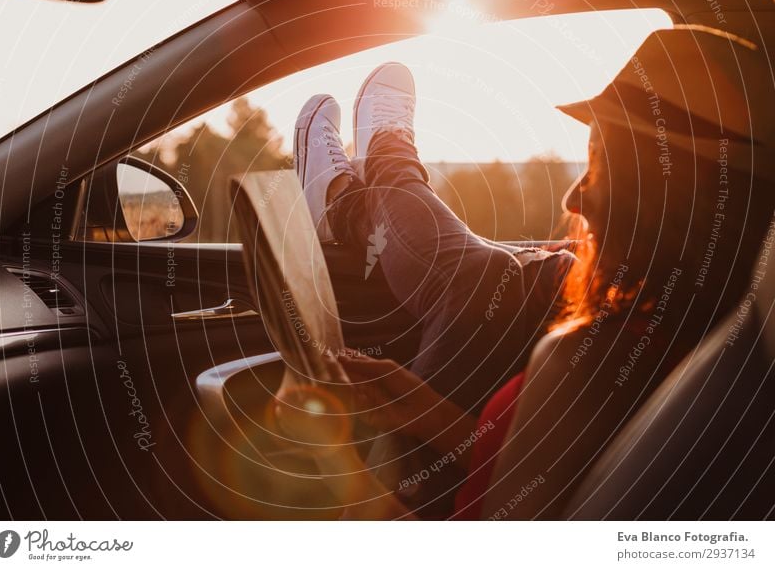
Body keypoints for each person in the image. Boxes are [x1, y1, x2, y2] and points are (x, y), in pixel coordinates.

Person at [282, 26, 775, 519]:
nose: (572, 196)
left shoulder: (587, 360)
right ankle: (367, 181)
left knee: (482, 275)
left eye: (601, 170)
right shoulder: (710, 342)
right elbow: (551, 479)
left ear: (669, 202)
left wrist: (334, 466)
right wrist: (425, 411)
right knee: (489, 273)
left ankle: (359, 187)